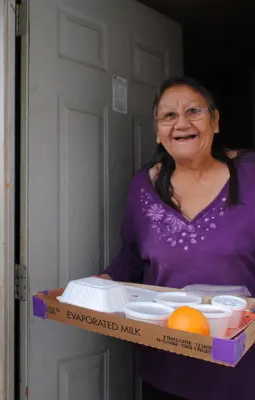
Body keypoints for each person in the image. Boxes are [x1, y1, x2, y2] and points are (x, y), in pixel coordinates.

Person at [102, 76, 255, 400]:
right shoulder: (144, 185)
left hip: (242, 368)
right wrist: (98, 286)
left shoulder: (250, 173)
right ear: (157, 131)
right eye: (168, 116)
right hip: (167, 366)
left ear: (215, 121)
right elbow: (130, 257)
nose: (181, 123)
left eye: (193, 111)